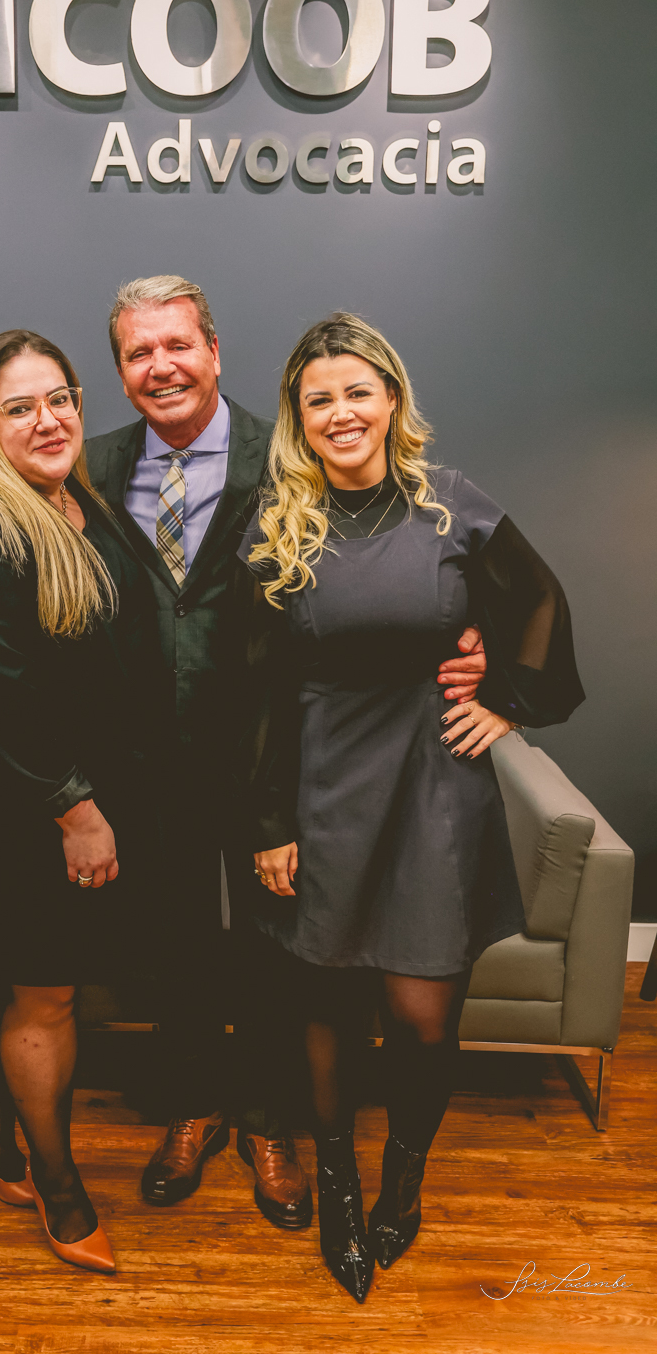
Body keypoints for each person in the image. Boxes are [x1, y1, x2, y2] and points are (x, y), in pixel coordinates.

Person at [86, 276, 489, 1226]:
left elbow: (394, 566)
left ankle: (270, 1125)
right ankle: (193, 1108)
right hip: (148, 761)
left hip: (281, 757)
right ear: (121, 370)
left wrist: (480, 658)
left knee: (280, 955)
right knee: (177, 946)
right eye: (139, 353)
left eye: (177, 345)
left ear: (214, 350)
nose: (161, 366)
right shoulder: (92, 468)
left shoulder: (292, 455)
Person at [240, 312, 584, 1300]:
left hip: (435, 785)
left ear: (391, 399)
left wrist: (504, 698)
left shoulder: (452, 505)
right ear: (299, 419)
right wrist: (270, 823)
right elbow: (258, 693)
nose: (340, 412)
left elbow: (541, 602)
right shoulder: (277, 525)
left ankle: (404, 1177)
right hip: (324, 788)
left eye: (358, 391)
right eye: (319, 400)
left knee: (423, 1017)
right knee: (326, 1006)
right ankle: (338, 1183)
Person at [0, 329, 157, 1276]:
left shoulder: (79, 502)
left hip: (65, 788)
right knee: (46, 991)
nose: (48, 420)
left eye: (61, 398)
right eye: (20, 407)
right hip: (10, 807)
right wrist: (76, 811)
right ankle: (60, 1184)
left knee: (9, 979)